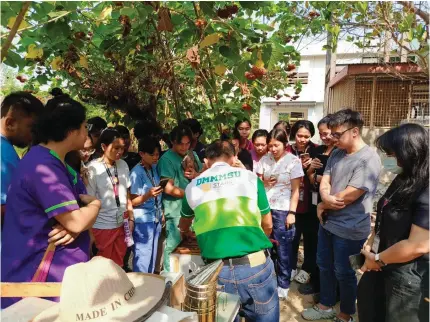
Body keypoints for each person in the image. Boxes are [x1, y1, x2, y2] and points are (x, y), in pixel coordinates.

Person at [1, 95, 101, 308]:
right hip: (38, 284)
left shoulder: (55, 163)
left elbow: (72, 221)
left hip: (51, 282)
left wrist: (77, 223)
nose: (86, 132)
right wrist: (95, 206)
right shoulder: (43, 166)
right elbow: (76, 221)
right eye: (84, 126)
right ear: (70, 131)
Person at [179, 140, 279, 322]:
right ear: (233, 158)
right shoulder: (250, 179)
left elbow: (184, 225)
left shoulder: (192, 187)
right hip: (255, 266)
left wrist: (189, 232)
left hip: (216, 271)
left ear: (206, 161)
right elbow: (268, 224)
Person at [302, 109, 381, 322]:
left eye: (337, 134)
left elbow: (348, 197)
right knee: (324, 265)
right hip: (327, 223)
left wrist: (324, 204)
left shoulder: (368, 159)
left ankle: (346, 313)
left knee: (344, 272)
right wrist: (325, 200)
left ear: (354, 131)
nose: (332, 139)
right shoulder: (337, 152)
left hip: (350, 228)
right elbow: (324, 180)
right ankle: (325, 305)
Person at [357, 124, 429, 322]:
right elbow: (384, 212)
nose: (385, 159)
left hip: (407, 276)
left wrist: (378, 258)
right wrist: (371, 242)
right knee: (369, 309)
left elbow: (418, 245)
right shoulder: (403, 179)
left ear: (409, 153)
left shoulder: (426, 188)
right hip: (381, 264)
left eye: (389, 153)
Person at [256, 129, 303, 299]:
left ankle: (283, 283)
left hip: (283, 209)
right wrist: (264, 182)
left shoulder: (293, 162)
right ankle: (269, 279)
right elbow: (257, 183)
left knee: (283, 248)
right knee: (266, 246)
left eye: (276, 145)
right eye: (270, 146)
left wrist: (292, 212)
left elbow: (296, 191)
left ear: (285, 144)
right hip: (264, 209)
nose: (273, 149)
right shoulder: (264, 160)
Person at [299, 115, 336, 296]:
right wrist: (312, 169)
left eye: (327, 133)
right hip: (315, 201)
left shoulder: (340, 152)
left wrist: (322, 180)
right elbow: (311, 177)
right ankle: (314, 278)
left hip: (332, 205)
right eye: (321, 134)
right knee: (313, 240)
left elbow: (336, 181)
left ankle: (328, 287)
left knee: (328, 247)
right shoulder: (318, 150)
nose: (324, 137)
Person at [86, 127, 134, 267]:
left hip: (122, 224)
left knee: (119, 264)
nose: (120, 152)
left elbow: (127, 194)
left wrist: (131, 217)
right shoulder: (93, 169)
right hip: (102, 226)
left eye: (122, 148)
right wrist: (90, 233)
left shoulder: (123, 165)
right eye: (116, 148)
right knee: (102, 268)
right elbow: (88, 203)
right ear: (103, 146)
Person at [157, 125, 202, 272]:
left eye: (187, 143)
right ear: (173, 142)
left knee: (190, 248)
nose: (184, 147)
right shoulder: (166, 160)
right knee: (173, 248)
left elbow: (202, 177)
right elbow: (168, 188)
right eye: (180, 143)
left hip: (194, 210)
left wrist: (195, 175)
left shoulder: (193, 155)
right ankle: (170, 281)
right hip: (176, 211)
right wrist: (190, 195)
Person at [1, 92, 44, 225]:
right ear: (10, 123)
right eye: (31, 127)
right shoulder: (3, 153)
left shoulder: (6, 148)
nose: (35, 134)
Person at [287, 120, 318, 283]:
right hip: (291, 200)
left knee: (310, 236)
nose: (302, 139)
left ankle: (307, 267)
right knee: (292, 236)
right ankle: (291, 266)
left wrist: (310, 168)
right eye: (299, 135)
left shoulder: (317, 150)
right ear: (294, 135)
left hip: (311, 201)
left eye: (306, 136)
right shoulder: (287, 150)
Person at [130, 137, 163, 273]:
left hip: (155, 217)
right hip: (143, 220)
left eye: (157, 154)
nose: (155, 157)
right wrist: (147, 195)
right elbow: (131, 201)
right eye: (152, 154)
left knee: (152, 256)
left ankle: (149, 287)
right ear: (142, 154)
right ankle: (141, 289)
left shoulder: (154, 168)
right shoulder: (136, 173)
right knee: (143, 257)